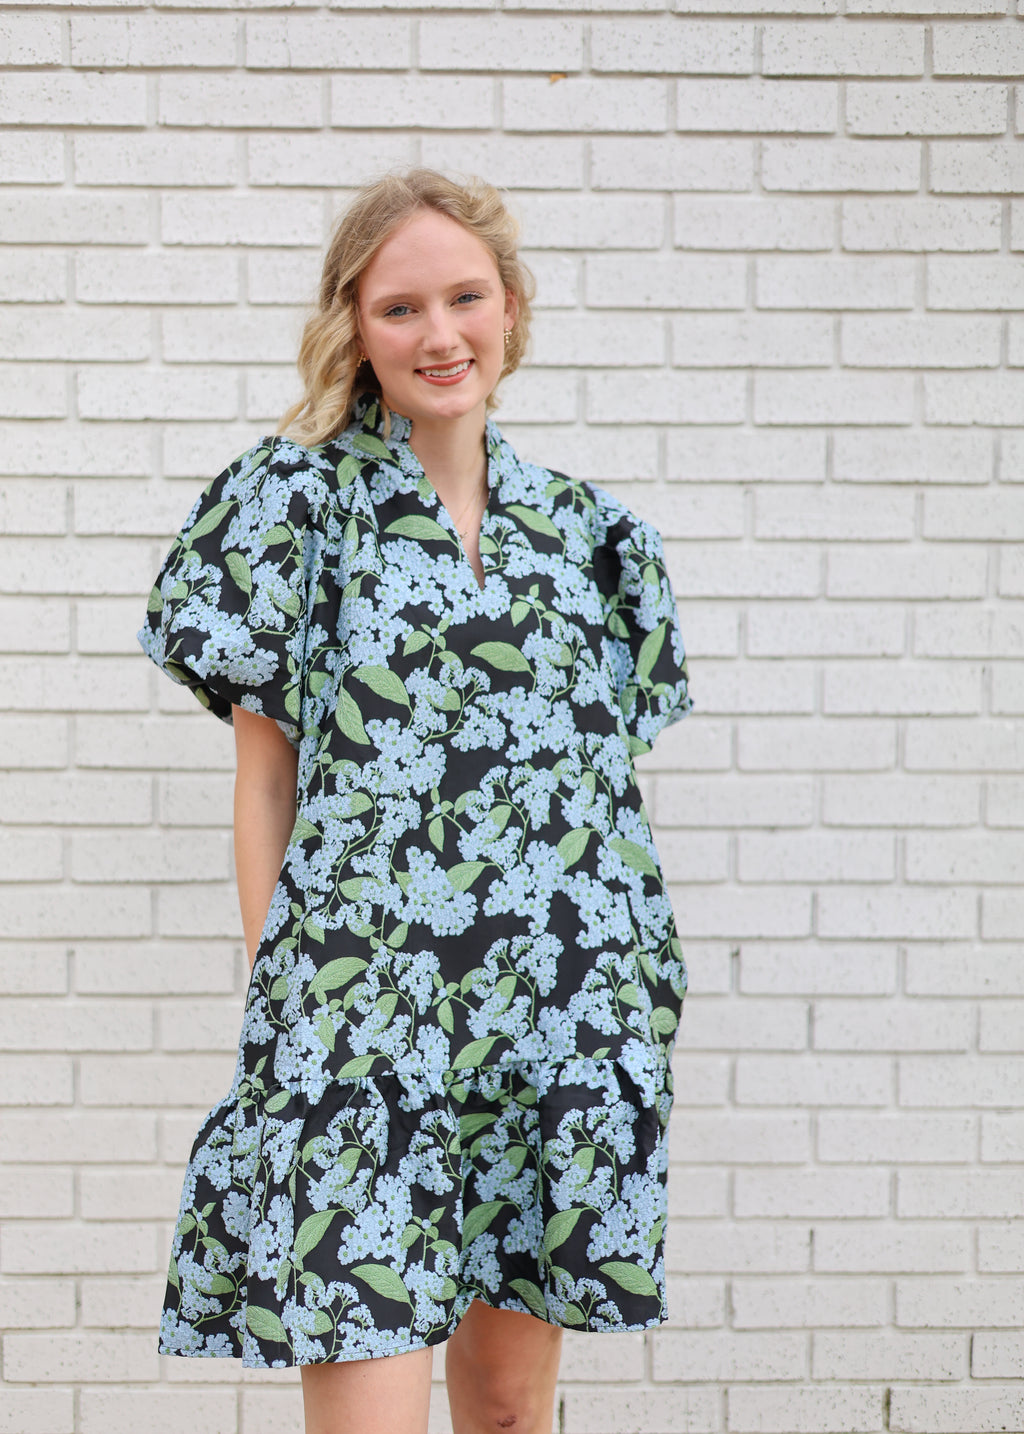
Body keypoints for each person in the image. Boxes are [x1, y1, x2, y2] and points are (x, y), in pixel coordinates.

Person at [138, 167, 692, 1434]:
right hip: (361, 1021)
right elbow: (265, 778)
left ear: (510, 308)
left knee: (506, 1412)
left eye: (465, 297)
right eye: (400, 308)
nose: (440, 335)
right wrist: (287, 994)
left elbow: (594, 797)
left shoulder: (596, 540)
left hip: (560, 1016)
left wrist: (634, 990)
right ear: (352, 324)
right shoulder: (288, 511)